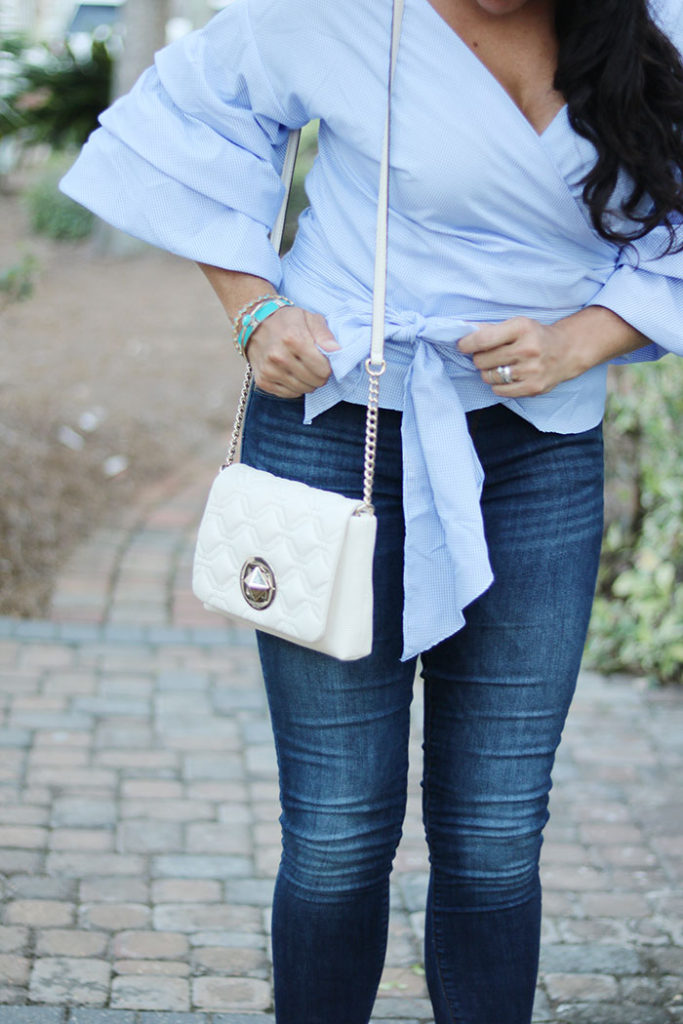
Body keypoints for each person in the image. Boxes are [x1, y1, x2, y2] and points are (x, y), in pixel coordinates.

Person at [61, 0, 683, 1020]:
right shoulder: (335, 10)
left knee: (492, 840)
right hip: (334, 434)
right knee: (338, 832)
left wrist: (585, 338)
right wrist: (255, 310)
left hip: (539, 457)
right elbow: (181, 122)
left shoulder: (652, 20)